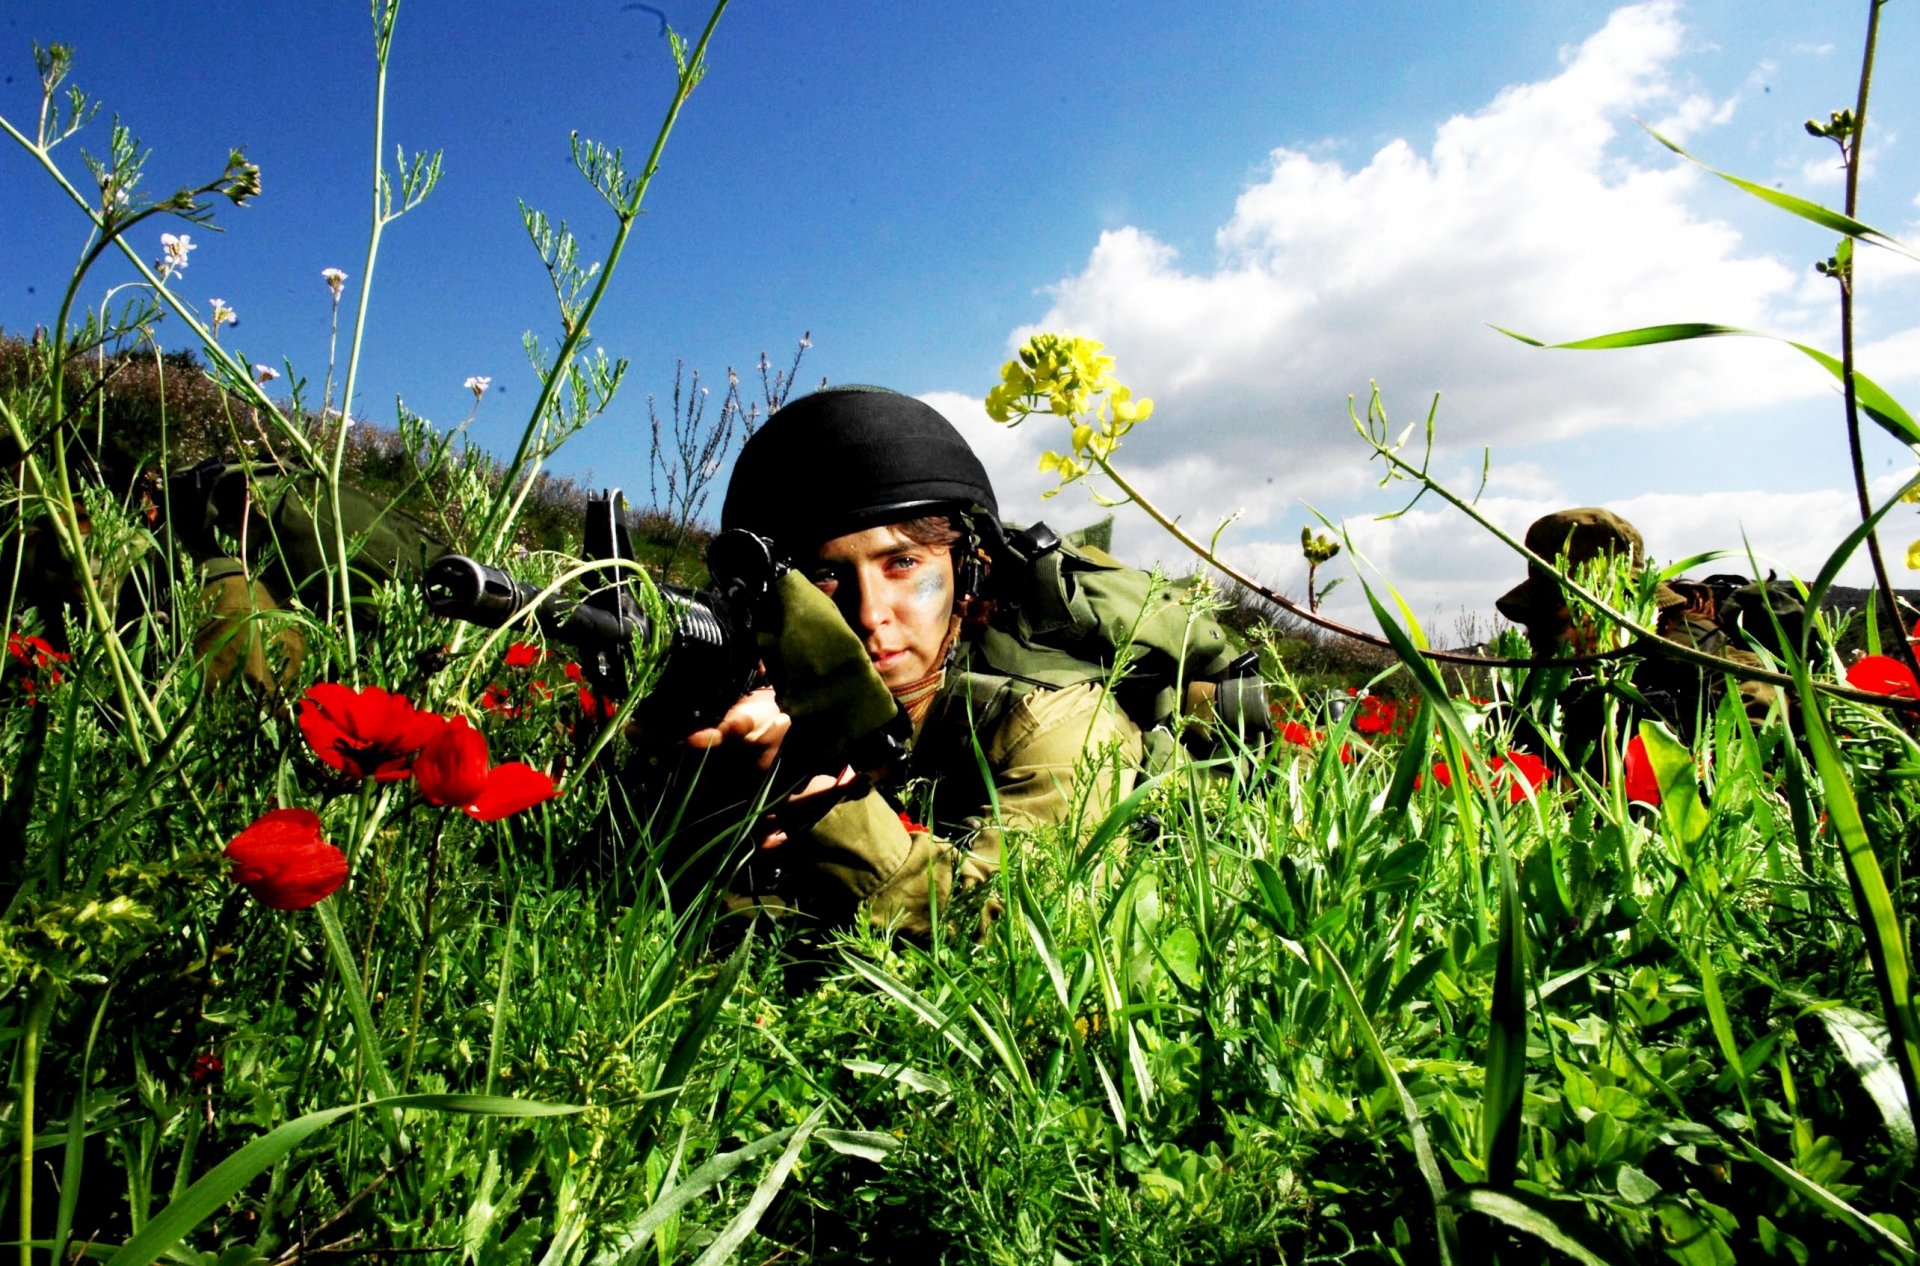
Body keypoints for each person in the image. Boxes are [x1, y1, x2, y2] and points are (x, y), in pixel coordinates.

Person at [670, 385, 1145, 935]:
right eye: (824, 576)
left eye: (903, 563)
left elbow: (1020, 923)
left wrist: (827, 808)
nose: (870, 614)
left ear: (968, 570)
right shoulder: (767, 696)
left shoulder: (1057, 721)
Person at [1493, 507, 1778, 766]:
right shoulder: (1543, 679)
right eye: (1563, 619)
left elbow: (1758, 736)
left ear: (1632, 603)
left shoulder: (1695, 651)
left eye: (1593, 610)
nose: (1580, 630)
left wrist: (1666, 733)